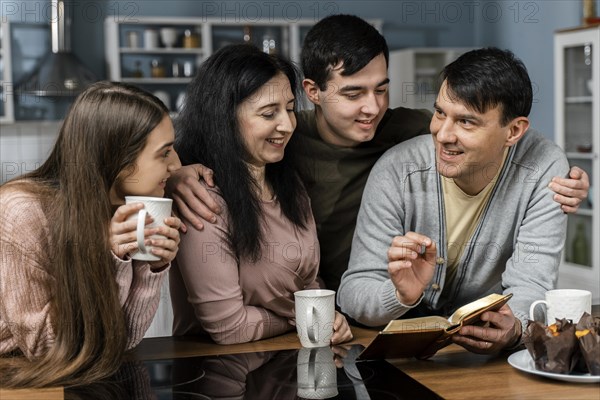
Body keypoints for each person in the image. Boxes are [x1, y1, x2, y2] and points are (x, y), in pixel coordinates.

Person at [168, 14, 589, 293]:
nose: (372, 107)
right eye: (353, 93)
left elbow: (491, 127)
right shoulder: (282, 136)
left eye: (382, 88)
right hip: (301, 303)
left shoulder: (410, 128)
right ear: (312, 92)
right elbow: (203, 142)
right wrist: (179, 172)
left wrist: (565, 175)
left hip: (372, 307)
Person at [337, 48, 569, 354]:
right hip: (392, 357)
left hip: (485, 363)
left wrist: (516, 327)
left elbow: (532, 283)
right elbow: (353, 293)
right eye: (440, 113)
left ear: (513, 131)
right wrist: (400, 295)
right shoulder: (396, 169)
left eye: (466, 122)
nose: (443, 134)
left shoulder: (544, 168)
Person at [0, 82, 182, 387]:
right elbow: (44, 347)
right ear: (119, 159)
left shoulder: (120, 209)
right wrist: (109, 261)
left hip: (70, 376)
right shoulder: (21, 211)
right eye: (164, 153)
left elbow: (125, 340)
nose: (176, 165)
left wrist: (152, 267)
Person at [170, 44, 352, 345]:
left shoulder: (288, 182)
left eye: (290, 109)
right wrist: (304, 317)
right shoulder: (202, 197)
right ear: (224, 118)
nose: (287, 125)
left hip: (285, 357)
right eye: (269, 114)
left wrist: (326, 316)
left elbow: (305, 280)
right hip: (216, 370)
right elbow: (228, 327)